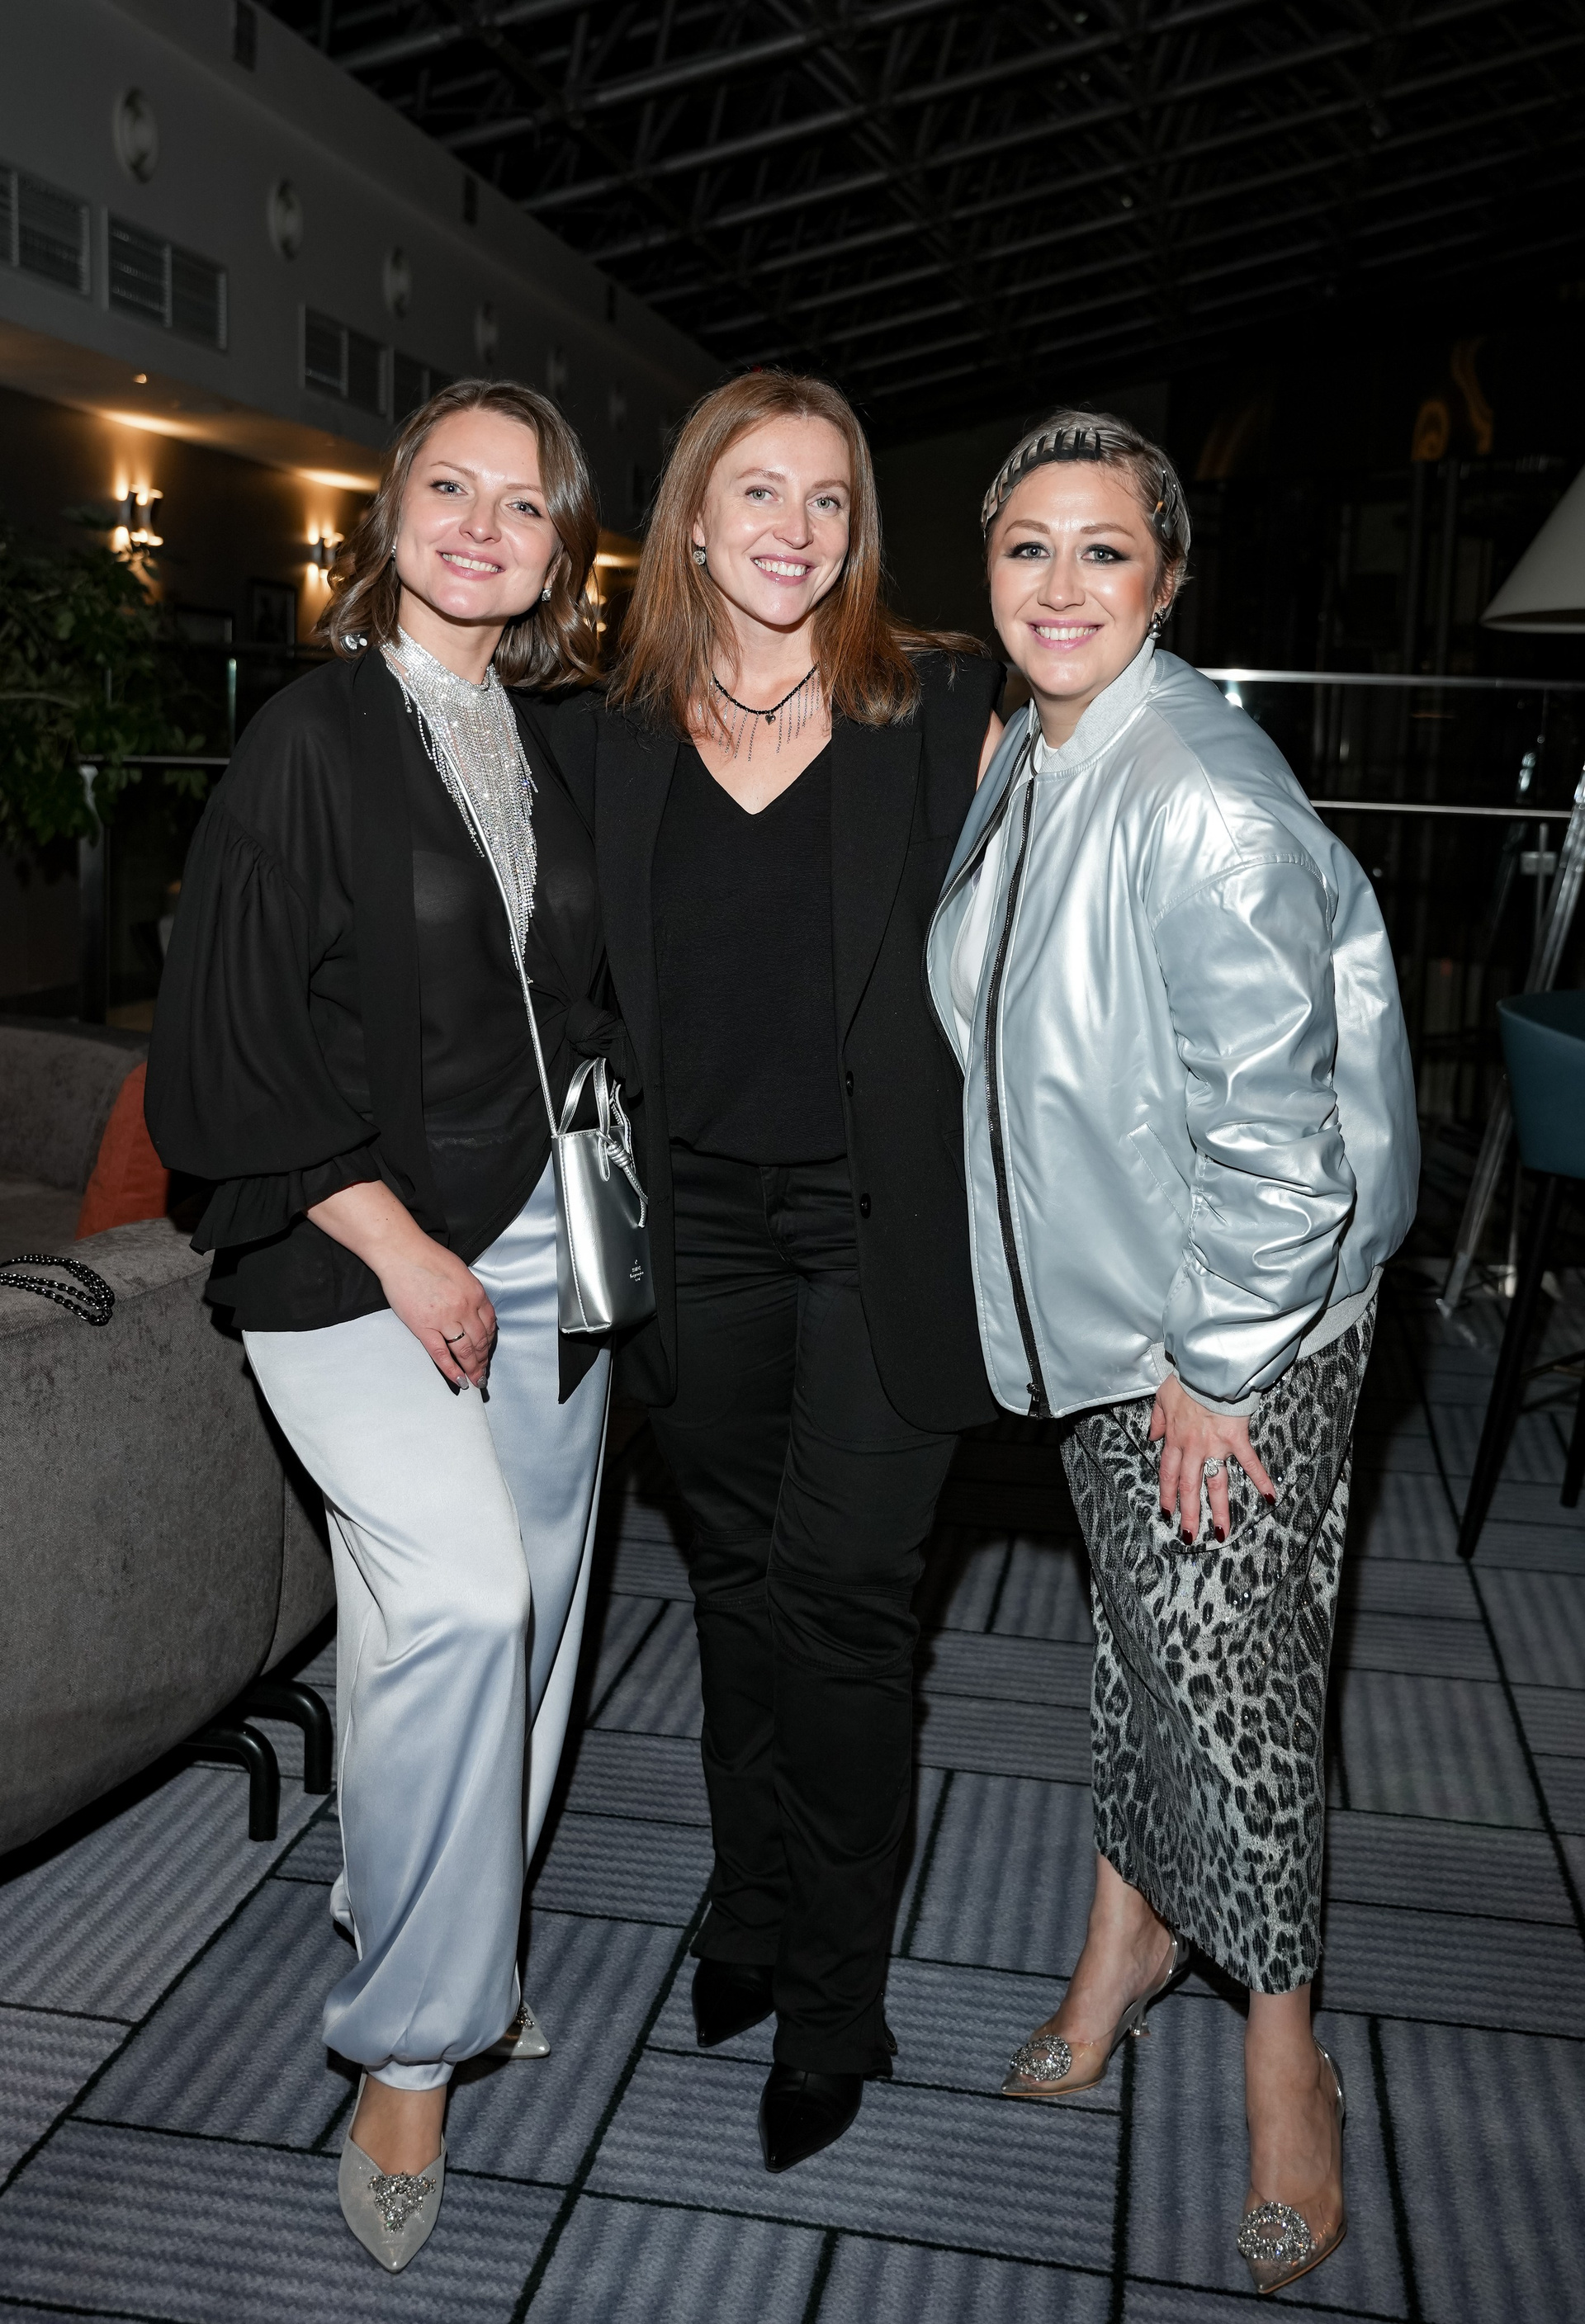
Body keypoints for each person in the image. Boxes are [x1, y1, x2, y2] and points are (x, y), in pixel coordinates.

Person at [925, 411, 1417, 2295]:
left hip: (1227, 1328)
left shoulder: (1200, 792)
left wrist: (1213, 1366)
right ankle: (1126, 1940)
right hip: (1115, 1305)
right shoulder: (1042, 753)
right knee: (1141, 1649)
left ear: (1169, 578)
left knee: (1239, 1696)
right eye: (1027, 547)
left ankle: (1289, 2055)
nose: (1061, 584)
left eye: (1104, 550)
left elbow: (1281, 1154)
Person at [146, 380, 627, 2273]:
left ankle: (459, 1934)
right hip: (347, 1248)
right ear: (391, 513)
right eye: (451, 486)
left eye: (524, 502)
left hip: (545, 1251)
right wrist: (404, 1244)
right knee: (466, 1598)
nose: (482, 525)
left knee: (532, 1621)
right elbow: (225, 1048)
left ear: (558, 551)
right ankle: (412, 2047)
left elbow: (568, 996)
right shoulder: (312, 735)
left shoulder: (545, 739)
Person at [526, 371, 1003, 2175]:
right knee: (735, 1576)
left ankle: (831, 1997)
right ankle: (747, 1895)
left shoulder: (939, 704)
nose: (794, 531)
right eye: (759, 493)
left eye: (828, 500)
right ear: (695, 520)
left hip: (885, 1228)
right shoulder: (607, 729)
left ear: (856, 530)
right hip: (692, 1220)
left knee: (847, 1601)